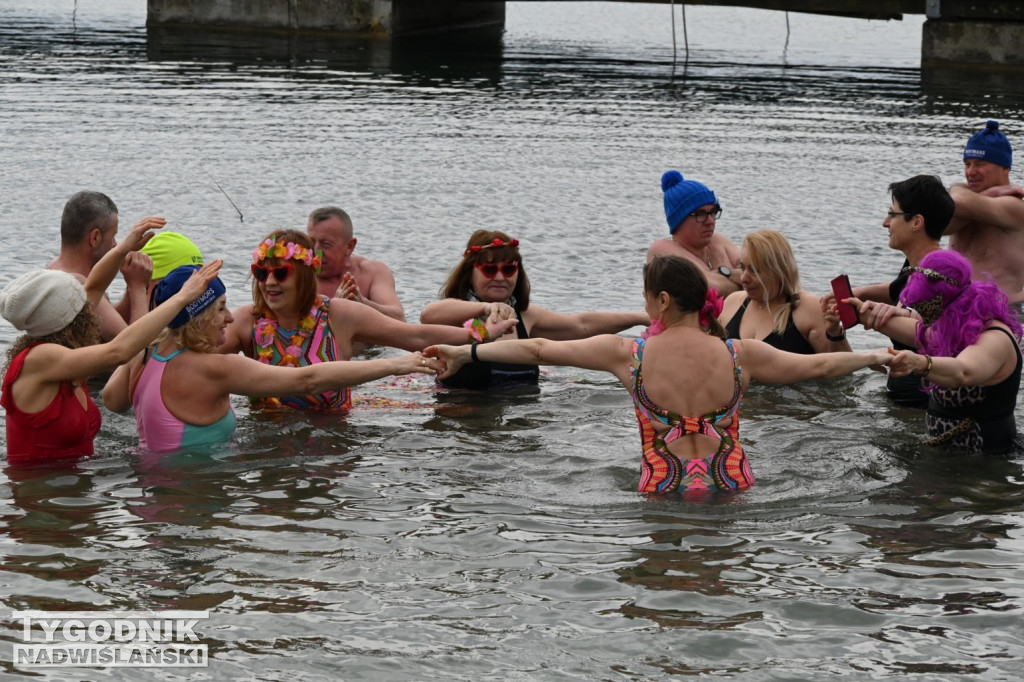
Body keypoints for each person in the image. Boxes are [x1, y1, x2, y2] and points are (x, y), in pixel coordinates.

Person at [425, 256, 891, 494]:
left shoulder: (629, 353)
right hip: (729, 475)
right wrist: (878, 358)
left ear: (663, 301)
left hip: (661, 477)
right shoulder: (741, 354)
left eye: (647, 299)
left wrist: (467, 353)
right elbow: (823, 364)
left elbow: (541, 348)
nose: (645, 307)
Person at [102, 266, 443, 454]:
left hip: (149, 497)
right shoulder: (216, 369)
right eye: (220, 309)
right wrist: (396, 364)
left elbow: (112, 401)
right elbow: (305, 380)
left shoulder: (143, 356)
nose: (230, 319)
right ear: (199, 316)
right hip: (196, 499)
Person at [1, 220, 222, 467]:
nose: (88, 306)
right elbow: (120, 351)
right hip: (42, 496)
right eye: (78, 304)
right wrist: (182, 298)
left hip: (75, 493)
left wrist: (121, 249)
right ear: (61, 317)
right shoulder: (40, 358)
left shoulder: (65, 349)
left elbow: (94, 286)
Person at [216, 229, 516, 409]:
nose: (269, 282)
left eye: (281, 273)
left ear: (305, 276)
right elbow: (199, 360)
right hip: (267, 432)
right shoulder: (246, 321)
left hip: (332, 434)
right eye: (262, 272)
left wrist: (482, 333)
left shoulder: (339, 315)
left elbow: (417, 336)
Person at [420, 230, 650, 390]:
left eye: (509, 269)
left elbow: (581, 325)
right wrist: (485, 307)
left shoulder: (526, 316)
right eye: (489, 269)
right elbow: (428, 315)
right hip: (467, 410)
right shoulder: (455, 313)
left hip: (523, 416)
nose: (500, 277)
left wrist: (641, 318)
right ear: (470, 273)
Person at [853, 250, 1023, 455]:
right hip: (945, 456)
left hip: (986, 464)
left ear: (951, 305)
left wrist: (921, 363)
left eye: (928, 313)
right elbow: (916, 333)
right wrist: (859, 313)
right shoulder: (955, 330)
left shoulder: (995, 338)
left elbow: (963, 372)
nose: (924, 321)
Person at [841, 175, 956, 406]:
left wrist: (866, 315)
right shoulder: (916, 267)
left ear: (916, 222)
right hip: (906, 398)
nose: (886, 222)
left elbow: (930, 334)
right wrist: (860, 293)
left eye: (892, 214)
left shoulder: (936, 277)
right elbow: (897, 291)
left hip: (924, 404)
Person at [48, 190, 157, 341]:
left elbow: (103, 322)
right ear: (95, 238)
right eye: (113, 236)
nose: (115, 244)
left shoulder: (53, 269)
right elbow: (133, 348)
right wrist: (138, 287)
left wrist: (130, 279)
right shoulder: (76, 284)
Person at [719, 229, 851, 355]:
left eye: (754, 270)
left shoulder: (809, 308)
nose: (743, 278)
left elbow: (842, 369)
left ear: (778, 271)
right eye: (743, 268)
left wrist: (835, 333)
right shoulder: (732, 303)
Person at [944, 120, 1024, 305]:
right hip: (954, 310)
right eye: (967, 164)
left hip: (1001, 312)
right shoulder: (963, 206)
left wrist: (957, 188)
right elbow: (936, 227)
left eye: (980, 164)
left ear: (1005, 168)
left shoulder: (1013, 206)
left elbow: (957, 200)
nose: (971, 172)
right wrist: (992, 192)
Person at [647, 170, 741, 296]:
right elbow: (707, 288)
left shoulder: (716, 239)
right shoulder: (661, 250)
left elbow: (760, 275)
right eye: (701, 214)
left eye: (713, 212)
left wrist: (722, 273)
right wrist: (736, 278)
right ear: (679, 220)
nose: (710, 221)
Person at [307, 206, 405, 321]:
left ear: (350, 246)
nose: (316, 252)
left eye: (326, 244)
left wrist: (362, 304)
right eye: (311, 242)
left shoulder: (373, 272)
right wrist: (334, 307)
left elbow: (399, 318)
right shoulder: (300, 275)